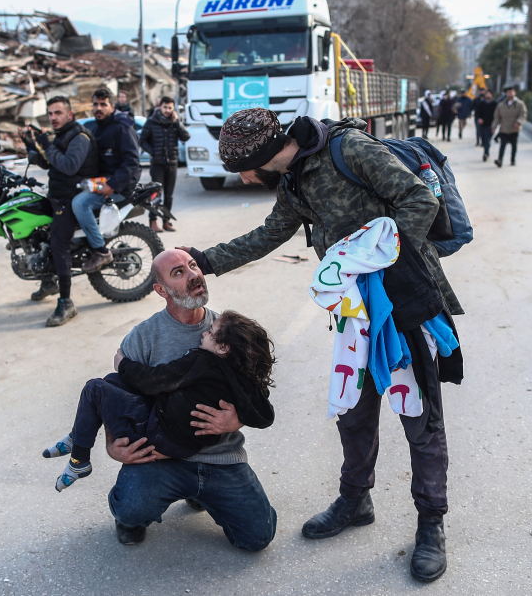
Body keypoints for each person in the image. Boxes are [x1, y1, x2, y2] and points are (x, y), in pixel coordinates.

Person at [179, 108, 463, 582]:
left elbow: (418, 200)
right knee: (353, 409)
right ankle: (355, 499)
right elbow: (269, 234)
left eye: (243, 169)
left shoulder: (349, 150)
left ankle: (431, 524)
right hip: (355, 314)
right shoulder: (293, 181)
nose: (245, 179)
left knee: (420, 418)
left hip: (405, 305)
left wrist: (378, 265)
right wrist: (203, 261)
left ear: (261, 156)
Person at [103, 248, 277, 550]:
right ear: (161, 290)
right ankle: (133, 505)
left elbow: (258, 394)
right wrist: (111, 444)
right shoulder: (143, 337)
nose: (193, 274)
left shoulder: (226, 331)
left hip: (221, 458)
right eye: (178, 272)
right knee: (132, 509)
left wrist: (237, 418)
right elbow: (116, 391)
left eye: (193, 265)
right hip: (161, 456)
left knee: (258, 536)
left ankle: (202, 493)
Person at [43, 309, 275, 491]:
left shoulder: (203, 361)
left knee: (94, 388)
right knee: (113, 382)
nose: (203, 333)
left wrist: (123, 363)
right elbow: (266, 415)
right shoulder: (241, 376)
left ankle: (79, 458)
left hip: (159, 435)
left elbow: (156, 380)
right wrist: (240, 418)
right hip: (182, 438)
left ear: (223, 347)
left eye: (210, 332)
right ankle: (78, 434)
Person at [20, 96, 100, 327]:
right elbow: (48, 163)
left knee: (58, 243)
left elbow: (68, 165)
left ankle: (66, 302)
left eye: (58, 113)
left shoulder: (79, 137)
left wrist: (46, 145)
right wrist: (30, 144)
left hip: (71, 198)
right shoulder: (63, 135)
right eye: (50, 113)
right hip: (57, 195)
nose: (53, 117)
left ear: (69, 115)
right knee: (40, 235)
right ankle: (49, 281)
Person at [76, 88, 141, 273]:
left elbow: (132, 162)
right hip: (101, 182)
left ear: (112, 107)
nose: (98, 108)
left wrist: (112, 185)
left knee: (80, 204)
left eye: (103, 104)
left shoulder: (122, 127)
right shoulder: (95, 127)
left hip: (120, 186)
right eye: (95, 104)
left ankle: (100, 251)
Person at [140, 96, 190, 232]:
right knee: (156, 194)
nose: (167, 110)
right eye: (165, 107)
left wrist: (177, 123)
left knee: (169, 195)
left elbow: (186, 137)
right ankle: (153, 222)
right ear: (160, 107)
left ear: (173, 109)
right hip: (157, 164)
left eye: (169, 108)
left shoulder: (174, 123)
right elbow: (142, 140)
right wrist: (153, 152)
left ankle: (166, 222)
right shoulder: (151, 122)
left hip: (172, 163)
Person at [491, 86, 527, 167]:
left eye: (511, 92)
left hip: (514, 129)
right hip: (504, 129)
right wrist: (494, 127)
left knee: (514, 145)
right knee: (502, 145)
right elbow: (497, 117)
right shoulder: (501, 105)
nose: (509, 94)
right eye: (508, 92)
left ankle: (512, 159)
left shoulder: (519, 104)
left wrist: (518, 122)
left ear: (514, 93)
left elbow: (523, 114)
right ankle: (500, 160)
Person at [474, 89, 497, 162]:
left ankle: (486, 153)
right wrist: (479, 119)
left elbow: (497, 115)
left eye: (489, 94)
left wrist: (495, 124)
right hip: (482, 125)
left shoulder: (494, 104)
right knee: (483, 139)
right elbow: (477, 113)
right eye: (487, 94)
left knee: (487, 139)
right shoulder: (481, 104)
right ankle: (486, 150)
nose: (488, 95)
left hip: (490, 124)